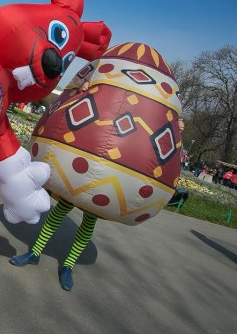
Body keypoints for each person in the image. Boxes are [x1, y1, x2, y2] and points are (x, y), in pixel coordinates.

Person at [10, 77, 185, 291]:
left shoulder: (154, 93)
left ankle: (68, 265)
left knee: (89, 220)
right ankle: (35, 252)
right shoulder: (104, 73)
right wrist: (81, 87)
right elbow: (79, 85)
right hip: (83, 163)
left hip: (110, 173)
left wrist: (177, 127)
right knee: (60, 211)